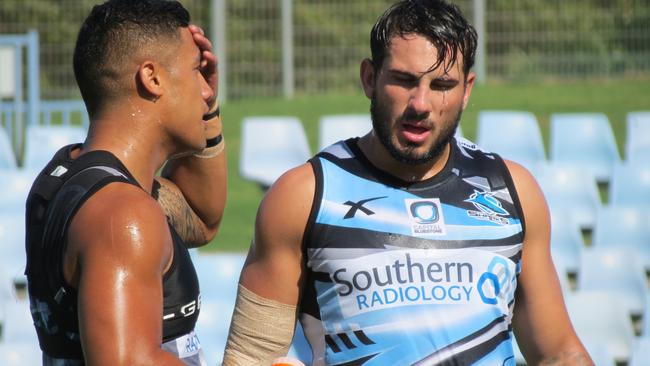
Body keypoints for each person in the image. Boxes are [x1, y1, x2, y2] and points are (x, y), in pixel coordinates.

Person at [223, 0, 592, 365]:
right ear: (370, 78)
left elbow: (559, 352)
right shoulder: (303, 196)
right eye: (404, 80)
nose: (421, 103)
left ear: (466, 90)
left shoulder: (512, 190)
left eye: (442, 84)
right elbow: (249, 357)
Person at [24, 0, 227, 364]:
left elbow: (200, 218)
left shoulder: (69, 176)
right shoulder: (123, 215)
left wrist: (207, 114)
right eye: (195, 71)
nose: (207, 90)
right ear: (152, 78)